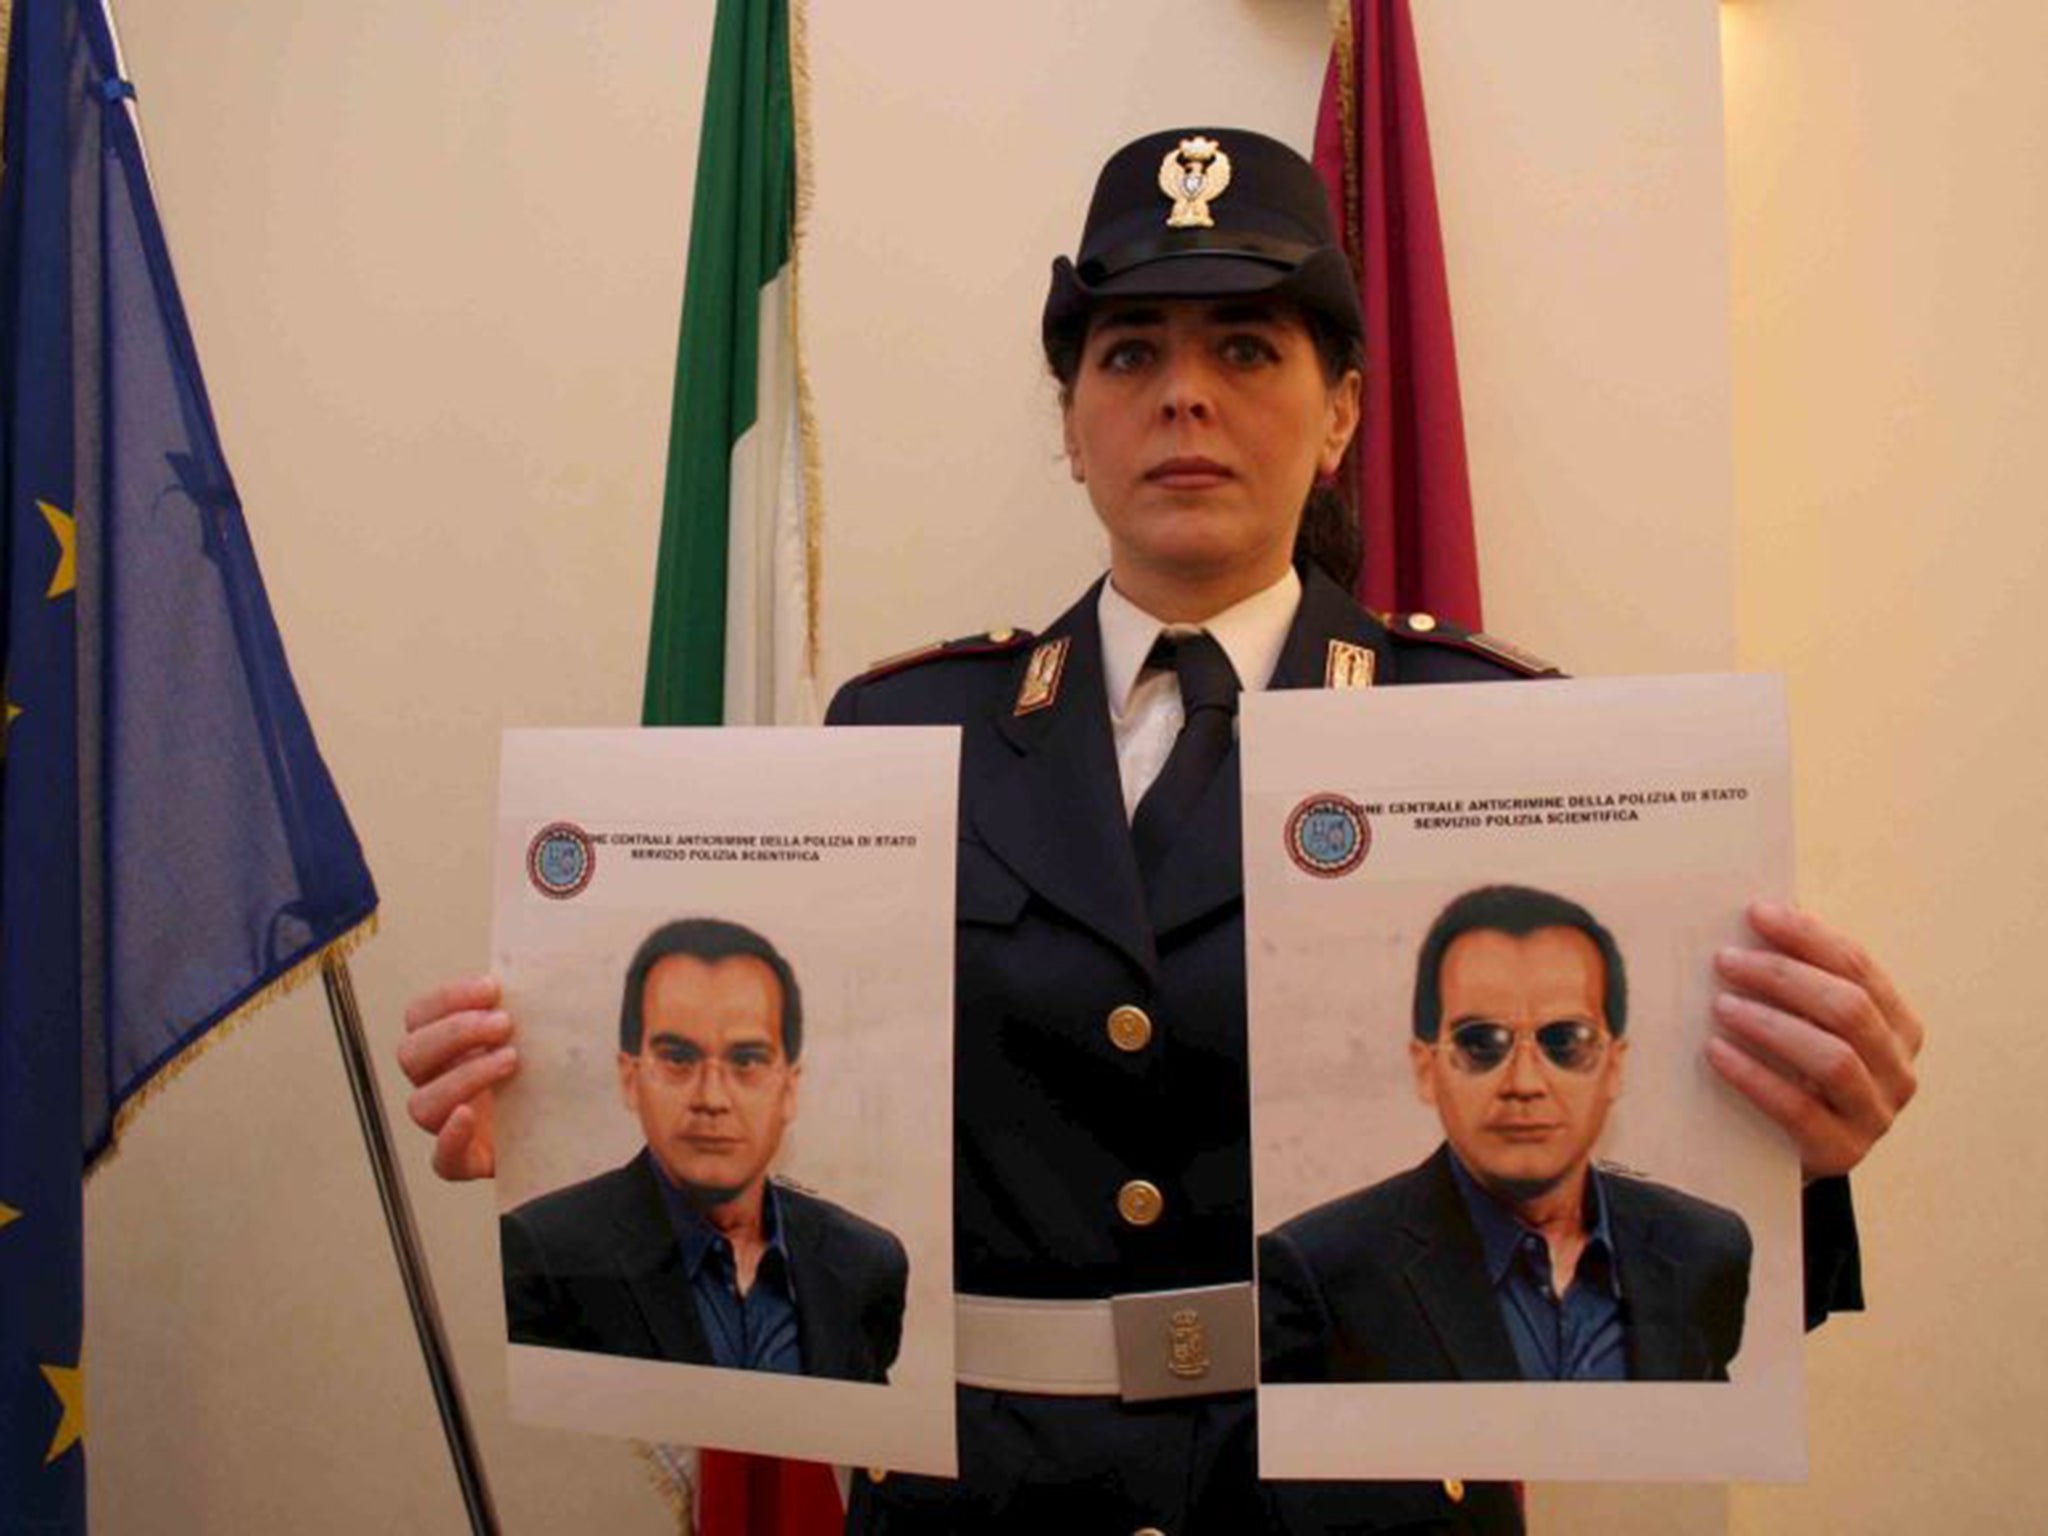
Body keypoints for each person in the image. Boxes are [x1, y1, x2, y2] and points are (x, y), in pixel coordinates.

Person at [399, 127, 1924, 1533]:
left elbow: (1678, 1252)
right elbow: (799, 1145)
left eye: (1247, 348)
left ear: (1340, 414)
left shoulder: (1487, 737)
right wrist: (540, 1120)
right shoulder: (901, 738)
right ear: (1071, 423)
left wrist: (1799, 1143)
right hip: (980, 1501)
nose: (1183, 395)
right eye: (1131, 352)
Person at [1260, 884, 1752, 1387]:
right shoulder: (1322, 1271)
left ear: (1614, 1066)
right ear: (1426, 1068)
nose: (1524, 1083)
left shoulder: (1705, 1247)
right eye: (1481, 1043)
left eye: (1566, 1041)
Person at [499, 918, 908, 1384]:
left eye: (747, 1061)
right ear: (631, 1079)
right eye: (678, 1058)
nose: (712, 1098)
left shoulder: (866, 1262)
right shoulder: (546, 1254)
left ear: (790, 1089)